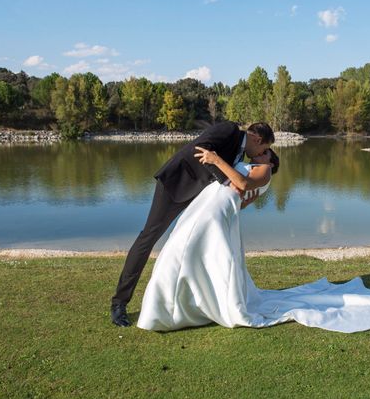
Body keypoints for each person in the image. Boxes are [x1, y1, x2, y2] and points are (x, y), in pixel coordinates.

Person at [136, 147, 370, 333]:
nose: (262, 152)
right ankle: (181, 305)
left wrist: (216, 159)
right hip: (212, 212)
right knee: (191, 257)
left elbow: (241, 186)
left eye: (267, 152)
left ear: (271, 162)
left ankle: (181, 308)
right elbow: (239, 197)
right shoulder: (251, 167)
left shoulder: (264, 171)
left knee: (197, 257)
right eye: (263, 150)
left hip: (213, 214)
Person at [110, 121, 274, 327]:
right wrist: (227, 180)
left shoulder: (240, 154)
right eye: (264, 148)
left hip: (200, 198)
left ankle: (195, 301)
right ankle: (119, 303)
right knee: (148, 237)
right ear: (258, 139)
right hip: (176, 185)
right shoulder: (229, 130)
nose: (261, 153)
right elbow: (201, 150)